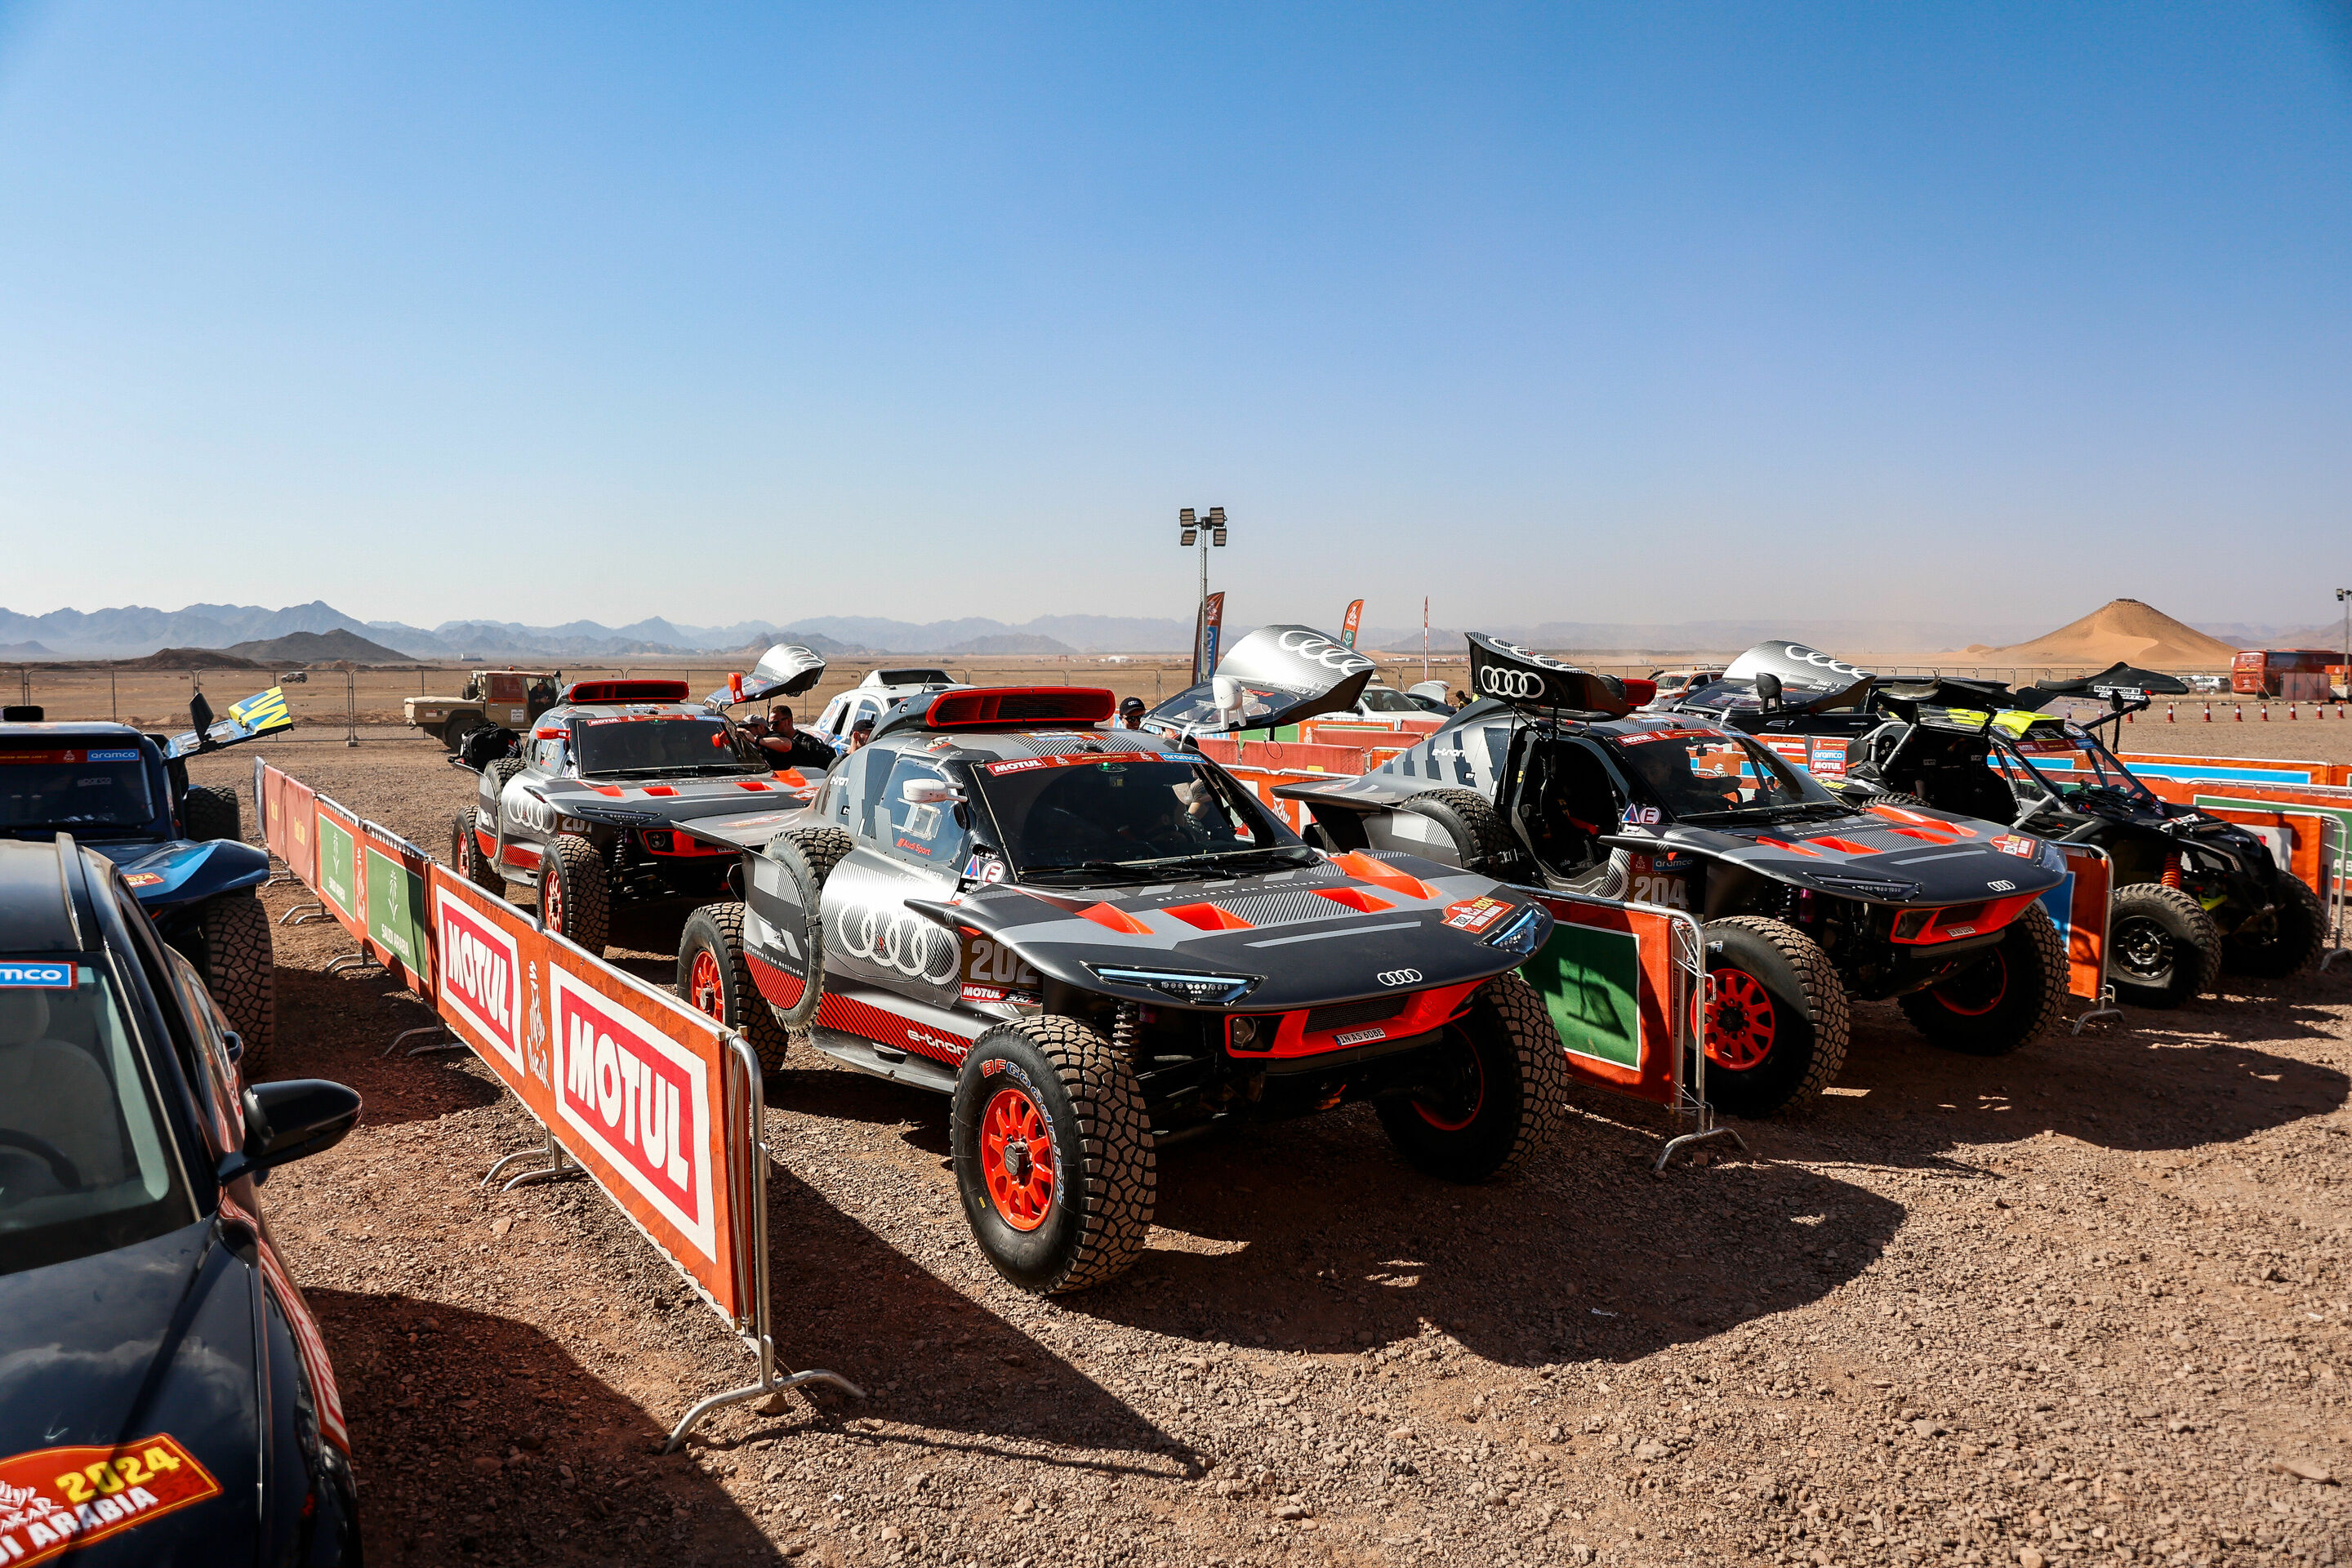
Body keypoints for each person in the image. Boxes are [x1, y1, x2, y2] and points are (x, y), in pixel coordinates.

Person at [745, 704, 836, 771]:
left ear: (789, 721)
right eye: (770, 724)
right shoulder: (771, 743)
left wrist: (756, 740)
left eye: (775, 723)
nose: (772, 727)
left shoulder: (808, 744)